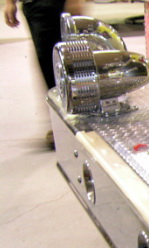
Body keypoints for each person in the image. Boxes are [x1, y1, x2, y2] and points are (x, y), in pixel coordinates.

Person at [4, 0, 82, 146]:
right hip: (32, 6)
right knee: (47, 60)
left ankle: (68, 122)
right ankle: (64, 122)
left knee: (55, 60)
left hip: (50, 4)